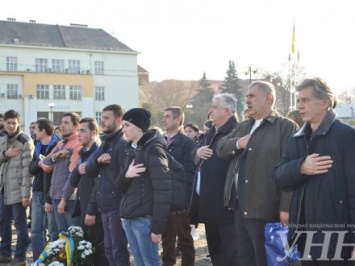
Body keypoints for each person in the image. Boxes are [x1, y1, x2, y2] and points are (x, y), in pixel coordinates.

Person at [273, 78, 355, 265]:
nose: (299, 105)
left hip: (337, 236)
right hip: (304, 234)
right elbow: (278, 177)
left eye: (305, 100)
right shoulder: (297, 139)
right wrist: (300, 167)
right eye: (298, 100)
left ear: (325, 102)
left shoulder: (347, 137)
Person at [216, 81, 298, 266]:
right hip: (240, 205)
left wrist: (286, 207)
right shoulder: (245, 126)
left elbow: (291, 171)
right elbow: (221, 148)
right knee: (245, 258)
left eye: (252, 96)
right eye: (246, 96)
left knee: (265, 259)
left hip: (266, 207)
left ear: (268, 98)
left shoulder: (286, 127)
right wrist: (239, 142)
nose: (247, 100)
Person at [117, 108, 172, 266]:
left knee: (150, 263)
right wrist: (127, 175)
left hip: (144, 219)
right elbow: (119, 185)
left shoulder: (153, 149)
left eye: (127, 125)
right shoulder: (130, 149)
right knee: (140, 263)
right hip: (129, 217)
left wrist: (157, 227)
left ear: (139, 126)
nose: (124, 129)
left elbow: (163, 190)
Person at [190, 93, 239, 266]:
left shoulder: (236, 131)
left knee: (230, 254)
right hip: (208, 204)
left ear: (226, 111)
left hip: (225, 207)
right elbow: (194, 153)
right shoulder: (211, 131)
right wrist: (197, 152)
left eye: (215, 106)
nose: (211, 110)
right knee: (216, 253)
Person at [85, 104, 130, 266]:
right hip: (104, 205)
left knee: (119, 252)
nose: (102, 121)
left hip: (118, 205)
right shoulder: (105, 142)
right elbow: (89, 170)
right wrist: (98, 160)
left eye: (106, 118)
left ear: (118, 120)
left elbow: (126, 178)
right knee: (109, 251)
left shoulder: (123, 144)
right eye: (101, 117)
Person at [69, 117, 108, 265]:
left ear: (94, 132)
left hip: (96, 211)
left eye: (82, 131)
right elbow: (73, 181)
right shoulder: (82, 153)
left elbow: (98, 185)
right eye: (78, 130)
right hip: (84, 208)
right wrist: (78, 170)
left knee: (100, 252)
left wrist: (91, 211)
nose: (78, 134)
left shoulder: (99, 153)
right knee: (88, 249)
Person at [162, 107, 196, 266]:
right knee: (166, 238)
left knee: (184, 239)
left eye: (167, 116)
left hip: (179, 199)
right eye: (163, 117)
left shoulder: (187, 143)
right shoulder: (160, 141)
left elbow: (190, 174)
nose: (164, 120)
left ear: (178, 119)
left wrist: (185, 199)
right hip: (163, 198)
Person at [0, 109, 34, 266]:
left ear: (19, 123)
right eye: (9, 122)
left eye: (14, 123)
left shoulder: (25, 140)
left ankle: (20, 257)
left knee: (20, 226)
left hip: (19, 191)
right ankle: (5, 254)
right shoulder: (1, 138)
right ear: (4, 123)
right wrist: (5, 154)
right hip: (3, 189)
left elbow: (28, 171)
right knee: (3, 223)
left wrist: (26, 194)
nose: (11, 125)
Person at [42, 112, 82, 232]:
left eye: (66, 122)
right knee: (62, 236)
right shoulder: (60, 144)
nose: (62, 126)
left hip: (69, 198)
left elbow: (73, 173)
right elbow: (45, 165)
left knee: (74, 236)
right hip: (55, 194)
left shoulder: (78, 143)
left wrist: (65, 198)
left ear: (76, 126)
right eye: (62, 122)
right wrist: (56, 155)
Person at [28, 118, 59, 261]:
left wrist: (49, 197)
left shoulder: (58, 145)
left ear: (43, 131)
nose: (33, 131)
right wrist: (39, 163)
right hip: (37, 191)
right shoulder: (37, 145)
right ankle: (37, 261)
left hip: (52, 192)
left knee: (53, 231)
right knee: (35, 231)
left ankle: (53, 261)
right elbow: (31, 168)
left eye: (35, 129)